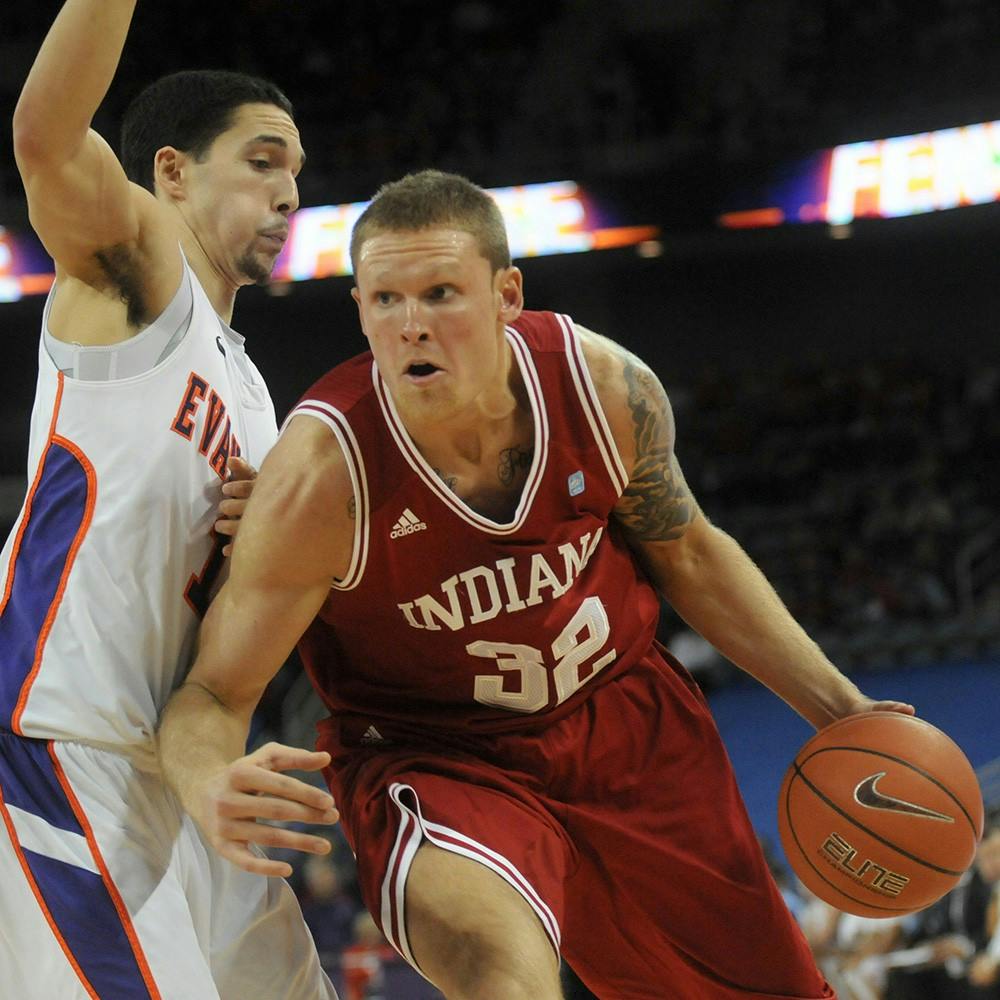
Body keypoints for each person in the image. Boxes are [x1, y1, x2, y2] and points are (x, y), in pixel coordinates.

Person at [159, 169, 917, 1000]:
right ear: (360, 310)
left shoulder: (602, 388)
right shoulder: (322, 479)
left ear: (506, 294)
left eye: (441, 293)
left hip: (628, 726)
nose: (412, 326)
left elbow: (692, 555)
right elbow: (210, 693)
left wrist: (843, 714)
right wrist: (206, 782)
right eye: (385, 301)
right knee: (502, 974)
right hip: (438, 758)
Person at [0, 2, 337, 997]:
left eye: (298, 176)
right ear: (172, 173)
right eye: (264, 161)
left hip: (179, 768)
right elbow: (45, 139)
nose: (289, 193)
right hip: (62, 740)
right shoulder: (140, 275)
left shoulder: (253, 395)